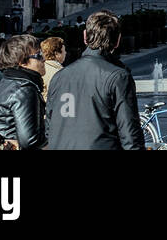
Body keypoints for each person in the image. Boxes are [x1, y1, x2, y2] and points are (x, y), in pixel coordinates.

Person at [46, 10, 144, 150]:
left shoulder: (59, 76)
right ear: (117, 40)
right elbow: (129, 134)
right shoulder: (118, 77)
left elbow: (50, 127)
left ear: (85, 36)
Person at [0, 33, 47, 150]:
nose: (44, 59)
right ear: (22, 61)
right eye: (39, 55)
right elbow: (30, 141)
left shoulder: (2, 84)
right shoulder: (25, 89)